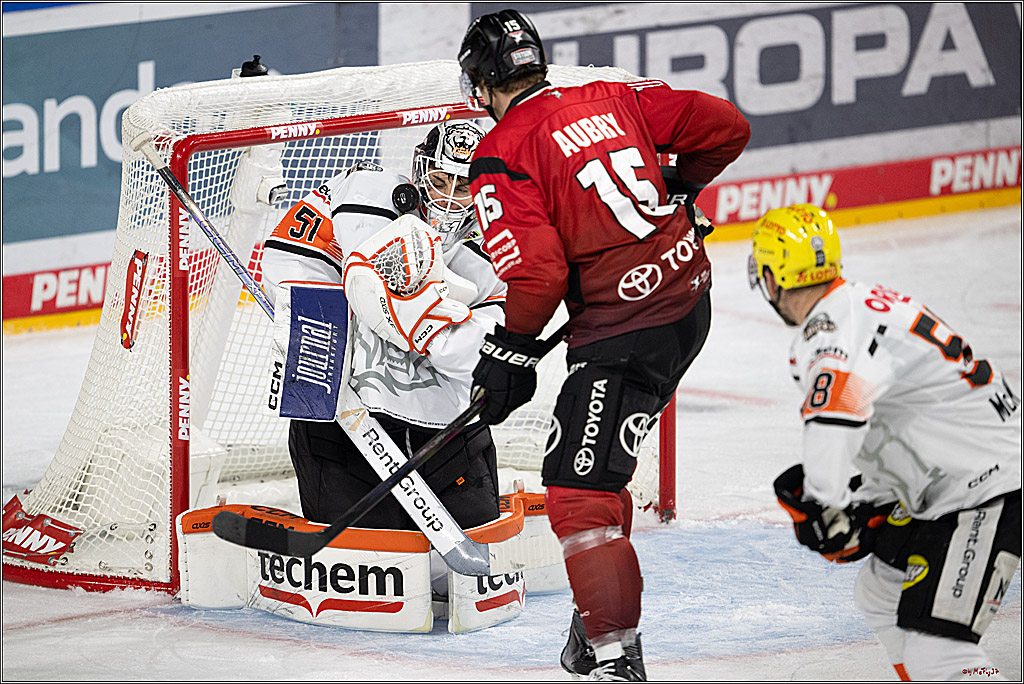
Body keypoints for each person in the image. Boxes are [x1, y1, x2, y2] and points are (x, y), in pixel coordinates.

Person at [457, 9, 750, 681]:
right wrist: (680, 184)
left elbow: (537, 273)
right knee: (601, 468)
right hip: (689, 304)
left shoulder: (501, 151)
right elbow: (728, 127)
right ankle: (597, 623)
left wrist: (510, 351)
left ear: (481, 83)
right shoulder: (613, 94)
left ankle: (615, 657)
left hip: (627, 333)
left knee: (574, 494)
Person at [749, 204, 1021, 681]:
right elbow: (888, 416)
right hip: (964, 473)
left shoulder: (832, 330)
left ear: (772, 276)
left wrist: (829, 503)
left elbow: (839, 414)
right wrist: (872, 496)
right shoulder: (858, 305)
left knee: (939, 654)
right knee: (879, 592)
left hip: (987, 487)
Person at [260, 120, 506, 537]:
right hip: (326, 332)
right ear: (419, 171)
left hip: (424, 383)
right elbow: (368, 289)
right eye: (440, 178)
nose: (447, 197)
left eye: (462, 187)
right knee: (369, 549)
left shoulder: (495, 246)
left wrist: (437, 332)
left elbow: (482, 352)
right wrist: (439, 324)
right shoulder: (371, 192)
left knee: (470, 534)